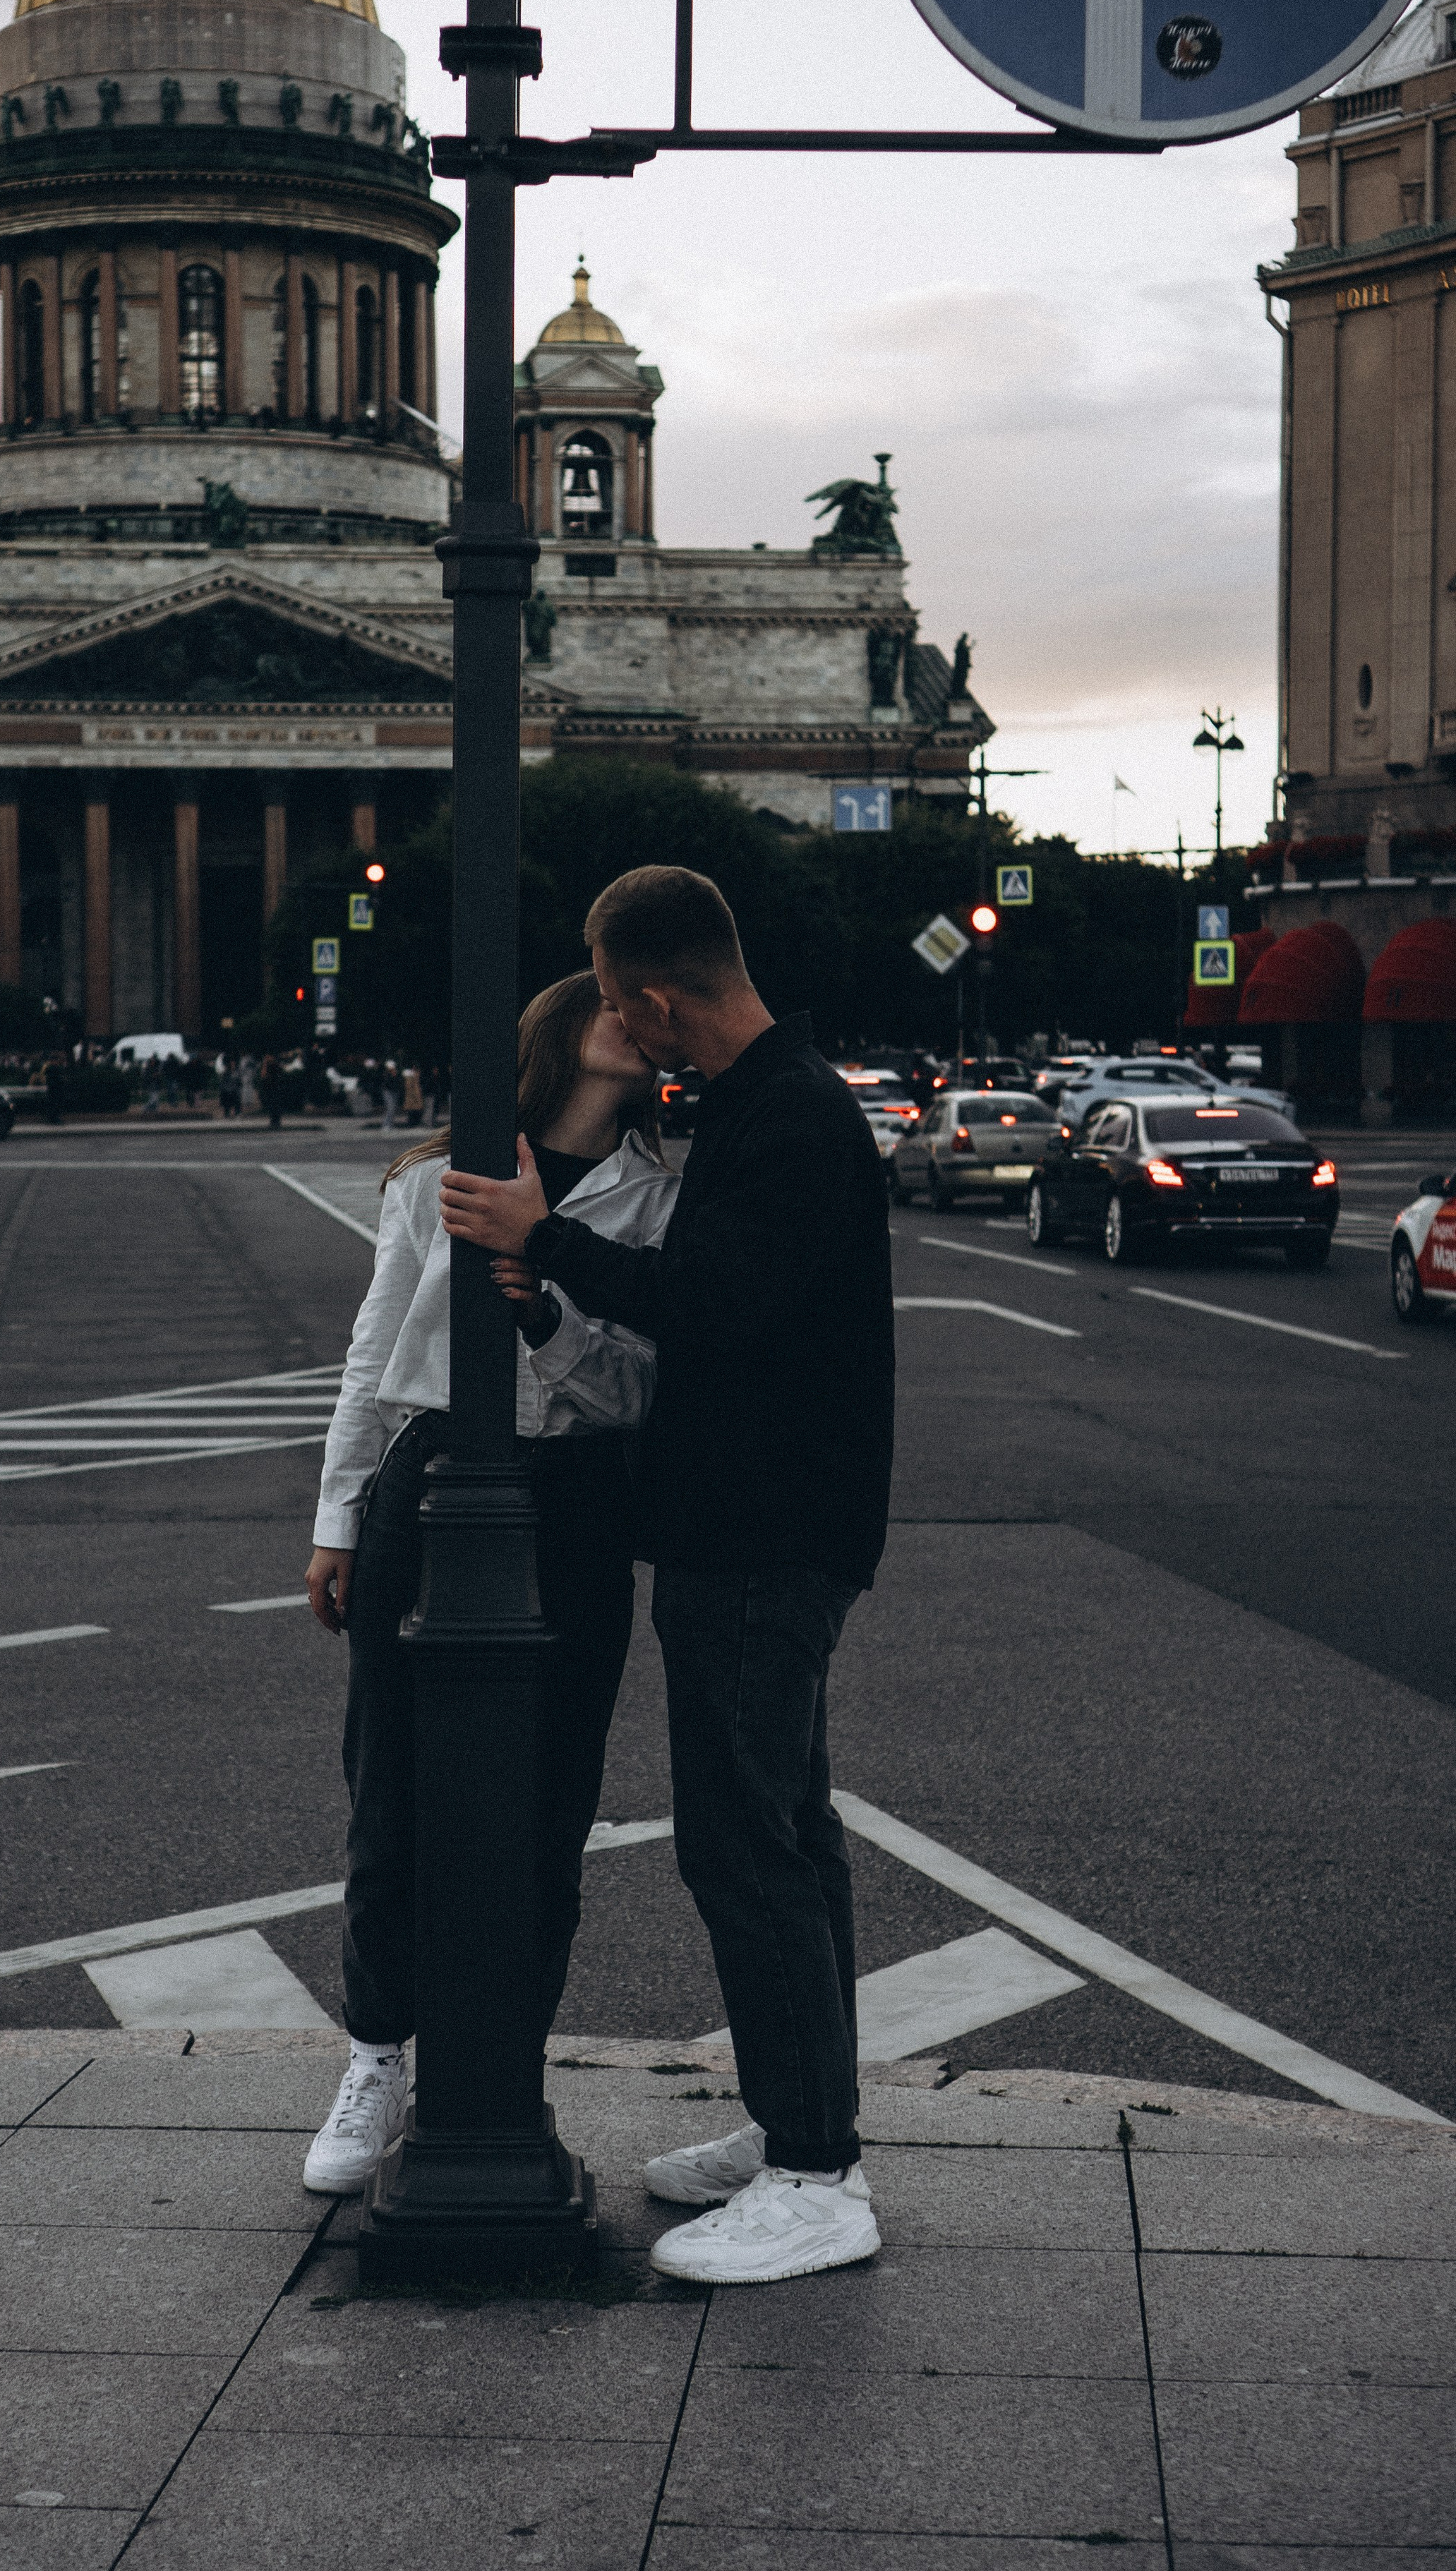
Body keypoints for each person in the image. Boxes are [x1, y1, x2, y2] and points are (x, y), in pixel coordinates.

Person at [440, 865, 894, 2287]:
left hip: (761, 1533)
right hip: (745, 1525)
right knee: (786, 1837)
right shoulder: (770, 1103)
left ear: (644, 993)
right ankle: (801, 2130)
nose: (632, 1035)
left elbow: (720, 1310)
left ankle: (817, 2177)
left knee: (743, 1844)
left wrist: (543, 1241)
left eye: (625, 1006)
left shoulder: (792, 1118)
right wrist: (556, 1284)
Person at [299, 972, 679, 2197]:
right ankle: (374, 2055)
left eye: (646, 1007)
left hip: (575, 1501)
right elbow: (373, 1351)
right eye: (611, 1001)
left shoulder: (661, 1192)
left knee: (550, 1798)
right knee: (390, 1781)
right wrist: (339, 1520)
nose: (636, 1014)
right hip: (428, 1478)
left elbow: (632, 1393)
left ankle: (507, 2058)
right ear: (559, 1030)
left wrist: (546, 1313)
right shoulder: (437, 1176)